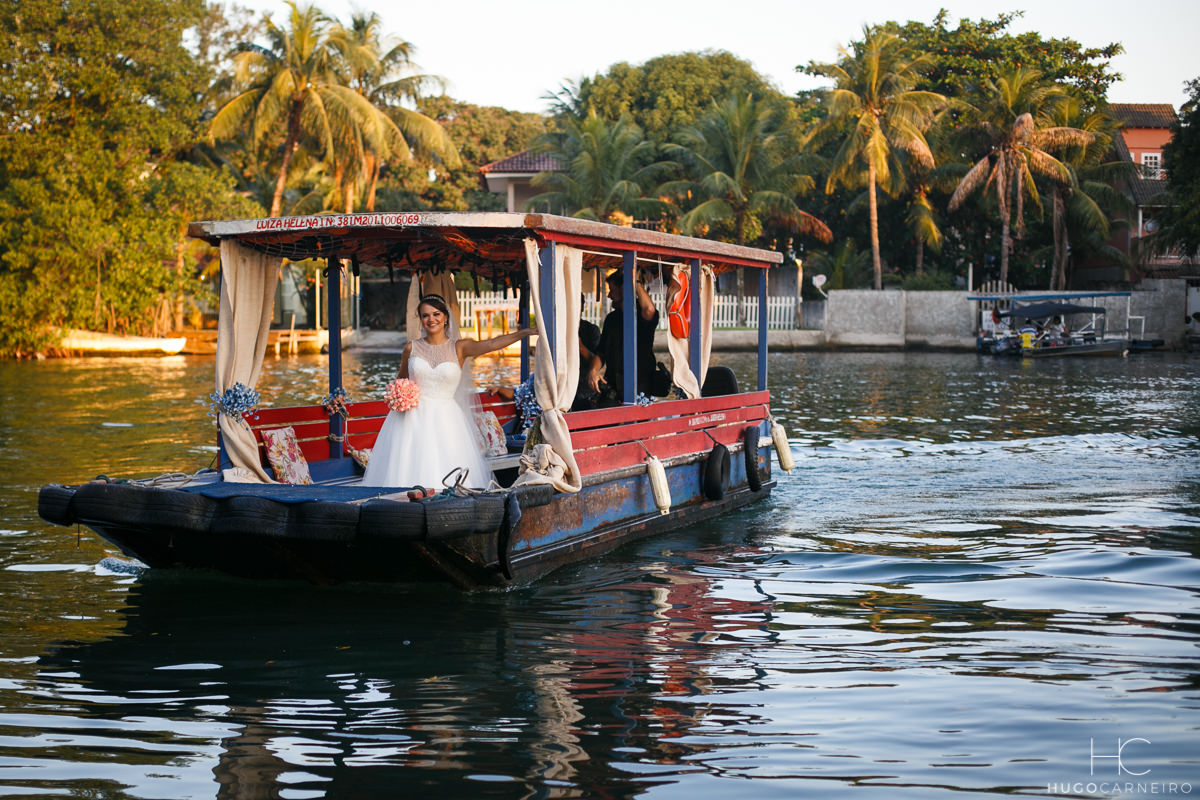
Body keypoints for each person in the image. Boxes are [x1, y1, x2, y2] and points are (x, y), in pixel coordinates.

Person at [362, 294, 534, 489]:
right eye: (425, 315)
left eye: (436, 314)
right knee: (406, 469)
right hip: (411, 420)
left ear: (445, 317)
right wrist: (399, 394)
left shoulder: (459, 347)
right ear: (420, 319)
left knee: (446, 469)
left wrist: (525, 333)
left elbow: (492, 344)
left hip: (447, 419)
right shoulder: (411, 348)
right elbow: (400, 381)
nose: (431, 319)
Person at [587, 270, 660, 406]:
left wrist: (635, 282)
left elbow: (649, 309)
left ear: (623, 290)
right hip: (614, 387)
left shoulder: (642, 314)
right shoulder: (611, 319)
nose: (609, 295)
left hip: (641, 388)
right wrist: (593, 371)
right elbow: (600, 353)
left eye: (612, 291)